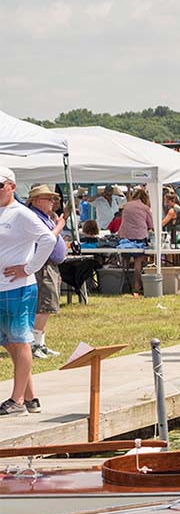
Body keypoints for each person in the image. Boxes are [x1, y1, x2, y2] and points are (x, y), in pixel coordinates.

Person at [0, 167, 57, 414]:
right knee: (10, 342)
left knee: (20, 340)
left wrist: (29, 267)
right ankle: (30, 396)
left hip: (17, 287)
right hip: (3, 287)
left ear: (12, 186)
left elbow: (48, 239)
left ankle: (17, 401)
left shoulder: (20, 213)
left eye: (0, 186)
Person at [25, 186, 68, 360]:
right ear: (36, 201)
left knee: (48, 306)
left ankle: (40, 343)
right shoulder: (34, 217)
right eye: (48, 198)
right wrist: (59, 226)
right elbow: (47, 239)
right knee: (43, 305)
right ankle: (34, 344)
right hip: (42, 266)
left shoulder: (45, 217)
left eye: (53, 199)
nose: (52, 202)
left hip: (50, 265)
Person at [117, 187, 155, 295]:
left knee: (125, 260)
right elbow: (151, 225)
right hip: (139, 236)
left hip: (124, 236)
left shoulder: (126, 206)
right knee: (138, 261)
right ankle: (137, 285)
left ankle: (124, 284)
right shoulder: (145, 208)